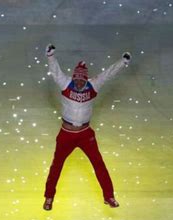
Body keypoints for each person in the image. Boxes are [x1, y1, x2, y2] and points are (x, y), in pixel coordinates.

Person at [43, 44, 131, 211]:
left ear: (86, 80)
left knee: (98, 163)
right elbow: (55, 72)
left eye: (81, 81)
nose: (78, 84)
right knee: (57, 165)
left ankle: (109, 196)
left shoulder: (93, 85)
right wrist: (50, 56)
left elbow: (108, 74)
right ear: (73, 77)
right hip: (66, 133)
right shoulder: (66, 83)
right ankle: (49, 197)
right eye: (76, 80)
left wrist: (122, 62)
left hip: (85, 133)